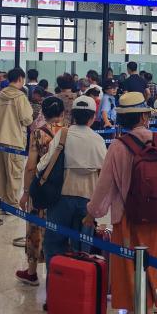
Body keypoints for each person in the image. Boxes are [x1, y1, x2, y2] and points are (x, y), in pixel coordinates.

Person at [85, 93, 157, 314]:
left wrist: (93, 212)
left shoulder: (118, 147)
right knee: (153, 267)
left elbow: (104, 187)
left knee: (132, 269)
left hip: (129, 219)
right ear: (143, 115)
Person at [39, 96, 106, 271]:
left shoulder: (63, 135)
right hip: (88, 201)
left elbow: (42, 165)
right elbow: (104, 175)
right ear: (93, 117)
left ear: (72, 115)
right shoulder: (98, 140)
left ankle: (55, 281)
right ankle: (79, 282)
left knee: (54, 244)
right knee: (82, 249)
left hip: (60, 197)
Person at [16, 96, 67, 286]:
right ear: (63, 113)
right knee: (59, 229)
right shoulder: (69, 132)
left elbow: (31, 165)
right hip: (62, 189)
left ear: (43, 114)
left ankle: (31, 272)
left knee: (35, 228)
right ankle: (60, 272)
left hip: (42, 188)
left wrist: (26, 192)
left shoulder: (38, 133)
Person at [0, 67, 34, 207]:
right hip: (14, 140)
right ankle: (12, 206)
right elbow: (27, 119)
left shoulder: (0, 95)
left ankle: (2, 203)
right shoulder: (20, 97)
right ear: (21, 79)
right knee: (14, 175)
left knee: (1, 174)